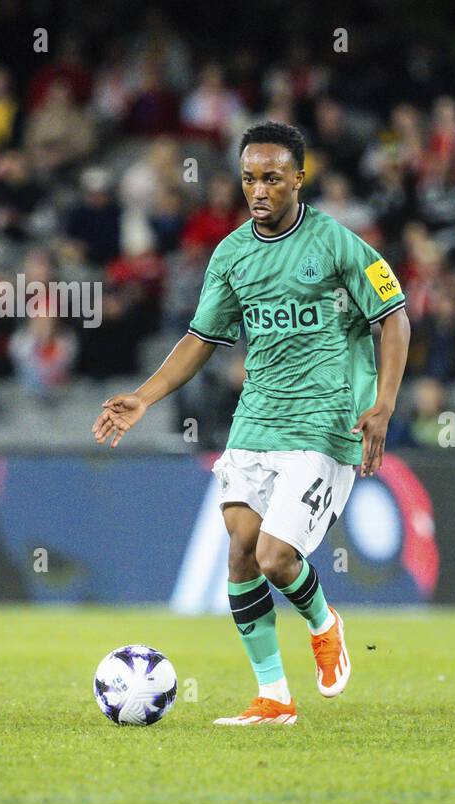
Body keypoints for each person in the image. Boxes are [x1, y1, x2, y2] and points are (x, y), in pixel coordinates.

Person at [93, 121, 411, 727]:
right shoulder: (232, 253)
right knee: (240, 552)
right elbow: (200, 338)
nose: (258, 190)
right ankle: (273, 698)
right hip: (255, 421)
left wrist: (385, 402)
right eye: (248, 179)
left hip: (324, 425)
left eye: (271, 178)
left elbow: (393, 317)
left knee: (273, 558)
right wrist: (145, 396)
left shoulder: (340, 244)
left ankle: (323, 622)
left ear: (299, 177)